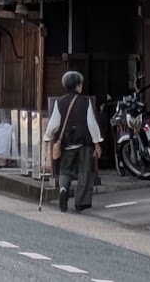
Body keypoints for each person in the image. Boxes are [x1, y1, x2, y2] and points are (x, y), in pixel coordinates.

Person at [44, 71, 103, 213]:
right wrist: (97, 142)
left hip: (67, 142)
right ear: (78, 86)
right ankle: (80, 203)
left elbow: (54, 123)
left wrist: (47, 136)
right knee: (84, 171)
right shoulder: (85, 101)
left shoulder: (60, 102)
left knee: (65, 169)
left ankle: (64, 189)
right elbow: (91, 124)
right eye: (80, 84)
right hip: (84, 142)